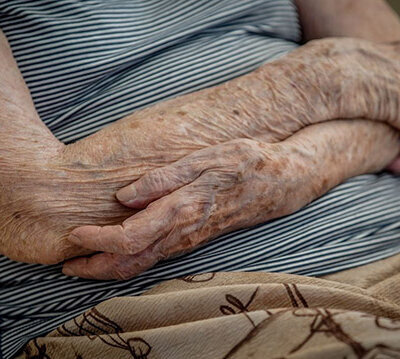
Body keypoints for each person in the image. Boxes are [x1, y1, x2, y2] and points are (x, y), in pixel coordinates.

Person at [0, 0, 399, 357]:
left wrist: (305, 165)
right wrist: (329, 81)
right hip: (177, 312)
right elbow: (44, 208)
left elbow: (394, 74)